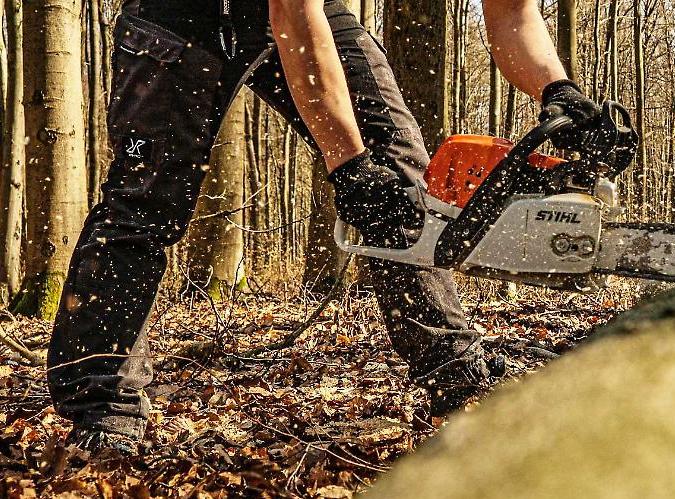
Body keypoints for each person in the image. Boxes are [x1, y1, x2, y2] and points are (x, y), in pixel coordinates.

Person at [48, 0, 605, 455]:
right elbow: (293, 13)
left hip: (306, 10)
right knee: (146, 200)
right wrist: (348, 165)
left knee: (399, 174)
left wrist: (559, 91)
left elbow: (511, 12)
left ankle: (451, 366)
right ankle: (102, 398)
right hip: (181, 11)